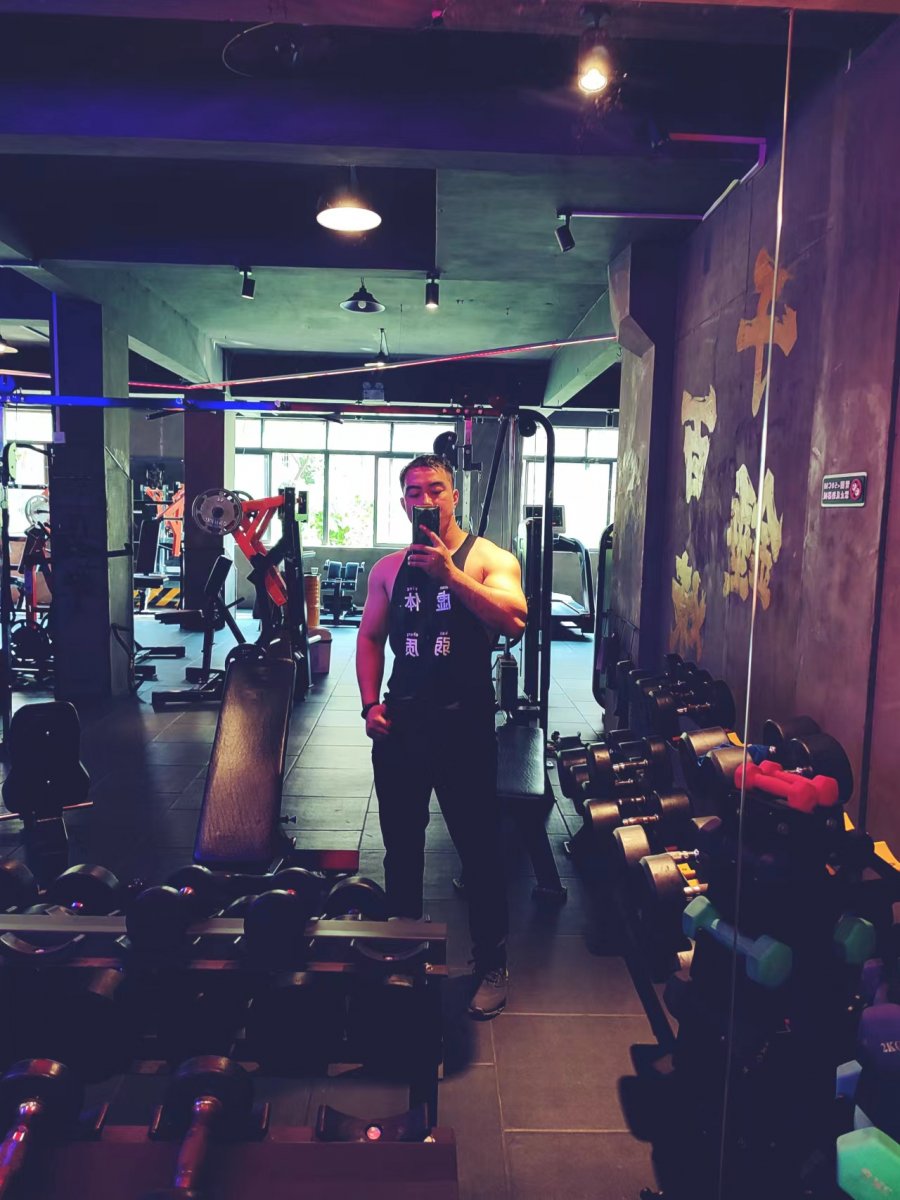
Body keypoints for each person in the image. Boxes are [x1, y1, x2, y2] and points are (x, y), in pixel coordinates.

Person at [356, 453, 527, 1017]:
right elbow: (369, 638)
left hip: (464, 728)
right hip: (402, 727)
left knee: (479, 851)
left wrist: (451, 575)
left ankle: (492, 961)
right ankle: (403, 954)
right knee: (401, 850)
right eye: (413, 491)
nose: (424, 500)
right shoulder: (388, 569)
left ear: (454, 495)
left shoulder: (490, 559)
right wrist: (369, 704)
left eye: (435, 489)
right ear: (403, 501)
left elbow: (515, 620)